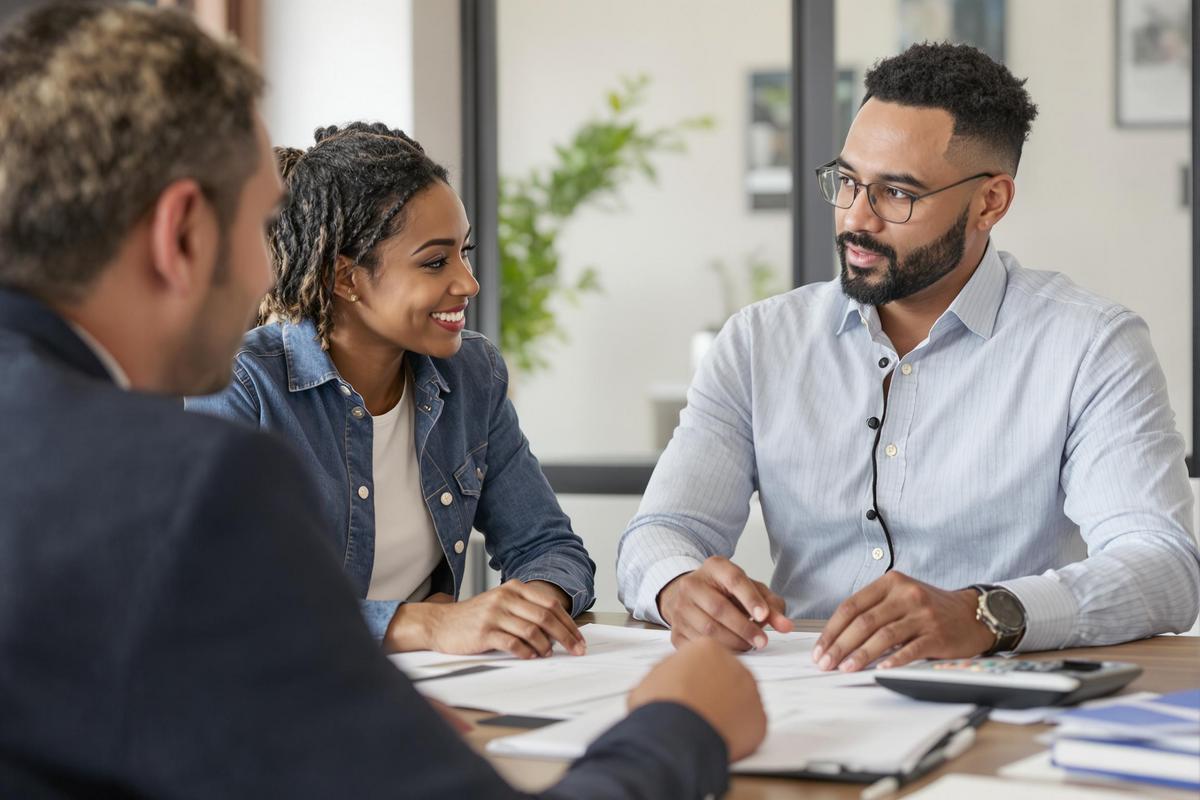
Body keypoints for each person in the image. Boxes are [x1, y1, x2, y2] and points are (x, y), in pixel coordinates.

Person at [0, 3, 765, 797]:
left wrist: (351, 721)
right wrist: (684, 724)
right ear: (182, 232)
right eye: (262, 230)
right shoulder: (185, 483)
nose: (271, 275)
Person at [616, 42, 1200, 671]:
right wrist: (678, 586)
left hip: (999, 704)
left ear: (990, 203)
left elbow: (1162, 565)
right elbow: (661, 532)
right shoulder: (758, 343)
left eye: (897, 193)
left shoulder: (1091, 345)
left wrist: (985, 613)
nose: (855, 219)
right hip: (802, 694)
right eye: (847, 182)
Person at [186, 124, 595, 658]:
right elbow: (219, 599)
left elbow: (550, 547)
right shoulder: (239, 385)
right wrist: (421, 625)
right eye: (435, 261)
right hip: (281, 699)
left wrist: (527, 607)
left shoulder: (472, 374)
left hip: (437, 689)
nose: (468, 282)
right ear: (346, 278)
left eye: (464, 253)